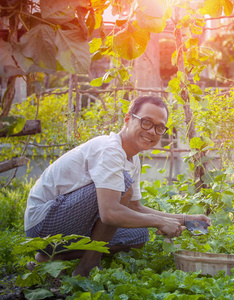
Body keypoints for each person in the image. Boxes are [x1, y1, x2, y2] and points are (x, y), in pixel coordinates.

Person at [24, 95, 210, 277]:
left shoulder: (133, 158)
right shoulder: (110, 149)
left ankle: (52, 257)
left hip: (66, 224)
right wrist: (160, 222)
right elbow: (110, 213)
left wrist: (185, 219)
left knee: (138, 235)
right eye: (146, 122)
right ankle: (85, 269)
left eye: (159, 127)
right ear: (128, 119)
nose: (152, 131)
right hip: (43, 224)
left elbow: (134, 207)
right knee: (122, 188)